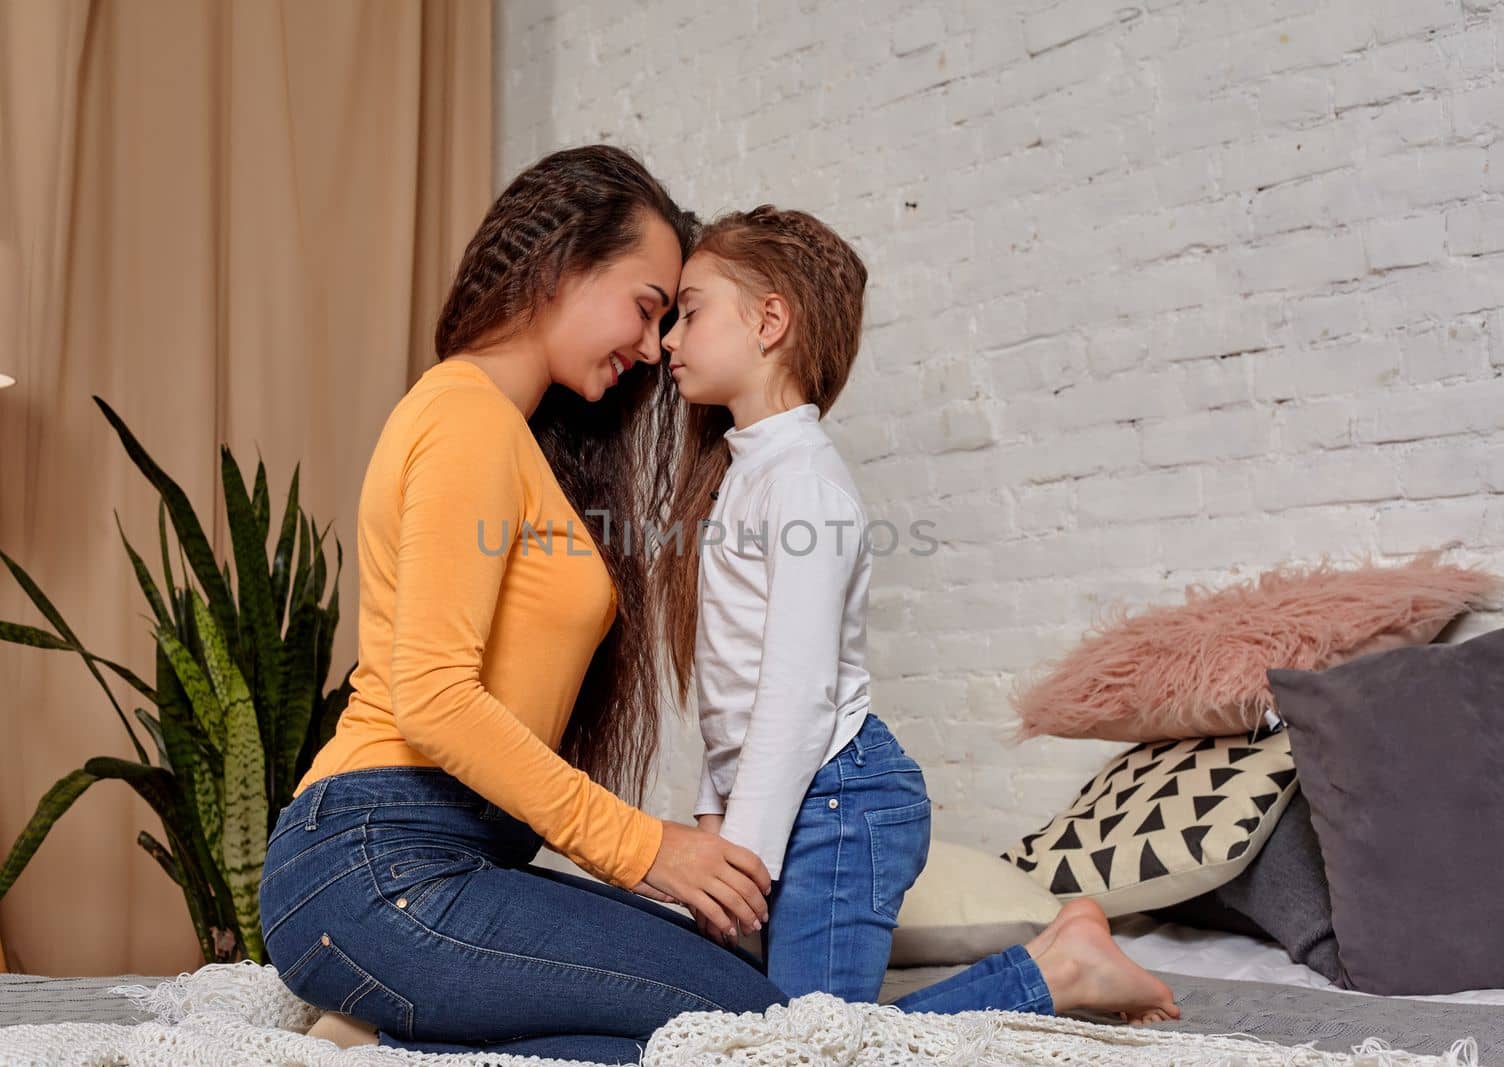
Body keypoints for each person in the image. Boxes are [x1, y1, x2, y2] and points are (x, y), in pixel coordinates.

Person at [258, 145, 788, 1064]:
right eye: (647, 306)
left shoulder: (506, 434)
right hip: (378, 859)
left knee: (737, 1004)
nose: (657, 344)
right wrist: (644, 847)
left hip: (431, 856)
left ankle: (385, 1041)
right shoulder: (463, 415)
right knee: (745, 1025)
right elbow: (431, 694)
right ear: (563, 262)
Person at [654, 205, 1180, 1025]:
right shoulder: (747, 476)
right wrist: (712, 816)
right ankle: (1059, 958)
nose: (667, 340)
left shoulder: (804, 485)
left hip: (841, 800)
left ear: (769, 320)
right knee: (745, 1028)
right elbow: (735, 683)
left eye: (689, 311)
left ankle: (1055, 973)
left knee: (809, 1040)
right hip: (797, 794)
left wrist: (743, 857)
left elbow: (797, 694)